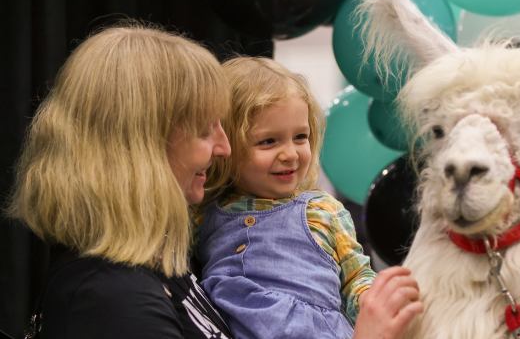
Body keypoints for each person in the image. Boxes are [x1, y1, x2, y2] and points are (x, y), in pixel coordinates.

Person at [7, 23, 236, 338]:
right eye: (204, 129)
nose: (225, 148)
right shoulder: (115, 301)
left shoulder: (149, 263)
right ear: (141, 147)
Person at [194, 56, 423, 339]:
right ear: (226, 144)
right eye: (269, 141)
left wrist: (368, 300)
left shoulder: (321, 210)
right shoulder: (204, 215)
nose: (290, 154)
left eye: (301, 137)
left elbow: (356, 275)